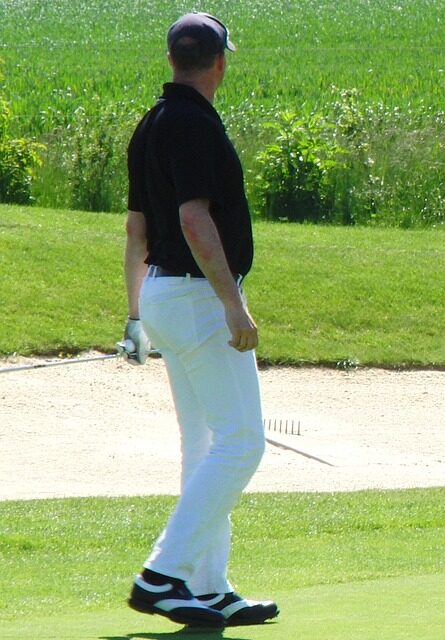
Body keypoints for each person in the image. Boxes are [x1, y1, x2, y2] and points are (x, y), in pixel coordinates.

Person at [121, 12, 278, 629]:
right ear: (220, 63)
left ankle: (207, 586)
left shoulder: (153, 122)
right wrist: (233, 304)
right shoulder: (193, 124)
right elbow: (192, 220)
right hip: (197, 296)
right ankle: (163, 573)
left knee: (206, 444)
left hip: (163, 296)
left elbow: (137, 231)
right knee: (243, 442)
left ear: (172, 60)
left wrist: (135, 315)